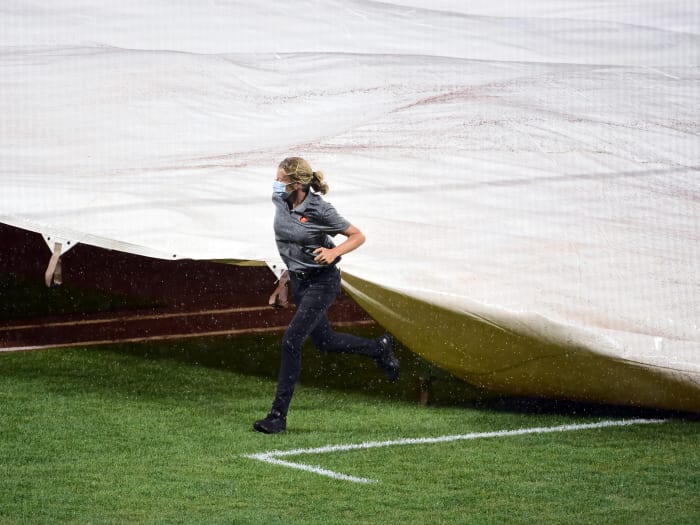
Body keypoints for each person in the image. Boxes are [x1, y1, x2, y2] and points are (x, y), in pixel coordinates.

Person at [254, 157, 400, 434]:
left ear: (296, 184)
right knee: (325, 341)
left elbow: (357, 235)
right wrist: (284, 282)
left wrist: (334, 252)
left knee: (291, 342)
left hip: (322, 282)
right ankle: (379, 348)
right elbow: (289, 245)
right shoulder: (279, 199)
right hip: (298, 281)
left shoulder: (320, 209)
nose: (275, 183)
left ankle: (277, 417)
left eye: (280, 179)